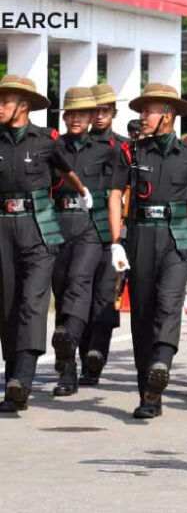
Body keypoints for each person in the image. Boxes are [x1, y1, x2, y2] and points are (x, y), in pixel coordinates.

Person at [0, 74, 91, 412]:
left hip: (40, 227)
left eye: (5, 102)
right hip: (3, 226)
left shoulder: (45, 141)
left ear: (23, 106)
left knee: (32, 301)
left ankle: (21, 380)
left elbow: (67, 172)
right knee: (7, 306)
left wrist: (83, 194)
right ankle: (14, 376)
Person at [125, 83, 187, 418]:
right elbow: (118, 193)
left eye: (150, 110)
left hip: (178, 236)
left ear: (168, 116)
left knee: (169, 304)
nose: (143, 116)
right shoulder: (133, 153)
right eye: (142, 110)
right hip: (141, 235)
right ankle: (149, 394)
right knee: (142, 313)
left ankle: (162, 362)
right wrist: (116, 242)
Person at [49, 87, 128, 397]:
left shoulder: (111, 149)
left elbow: (119, 195)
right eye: (73, 113)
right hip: (58, 225)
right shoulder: (54, 147)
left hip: (96, 229)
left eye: (86, 112)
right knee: (65, 290)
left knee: (90, 292)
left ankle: (83, 357)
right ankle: (70, 361)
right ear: (65, 116)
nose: (81, 118)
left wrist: (119, 238)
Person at [77, 83, 131, 386]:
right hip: (81, 228)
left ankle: (96, 355)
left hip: (113, 231)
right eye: (94, 110)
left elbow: (137, 181)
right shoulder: (76, 145)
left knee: (105, 295)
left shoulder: (124, 147)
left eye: (104, 110)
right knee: (80, 296)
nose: (99, 116)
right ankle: (84, 356)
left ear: (113, 112)